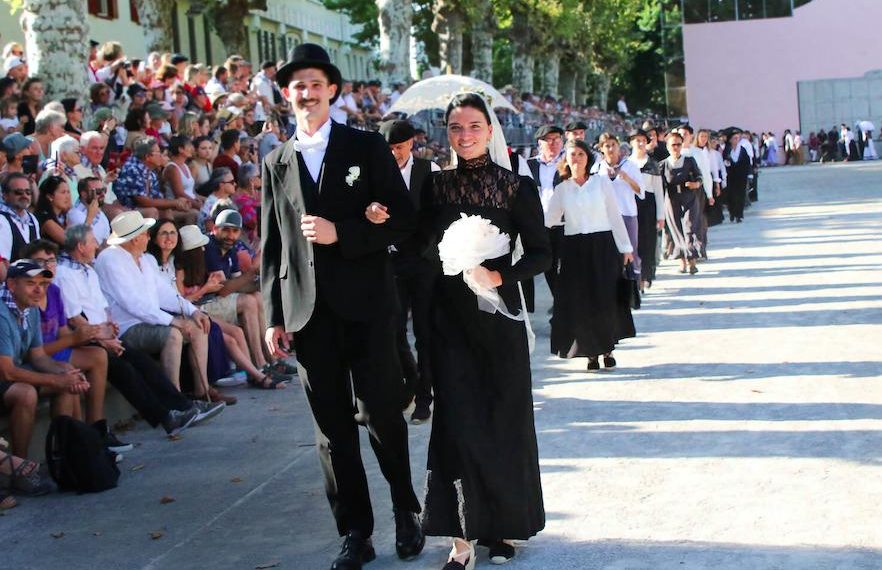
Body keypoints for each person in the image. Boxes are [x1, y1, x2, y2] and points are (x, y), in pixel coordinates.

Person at [261, 43, 423, 570]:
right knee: (331, 430)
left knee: (381, 416)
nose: (305, 93)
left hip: (369, 307)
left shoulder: (366, 146)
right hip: (308, 316)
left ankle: (406, 510)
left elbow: (403, 222)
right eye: (295, 86)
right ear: (286, 96)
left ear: (332, 89)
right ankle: (355, 531)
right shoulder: (275, 161)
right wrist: (273, 316)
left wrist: (344, 234)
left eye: (313, 83)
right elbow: (272, 247)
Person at [413, 92, 549, 567]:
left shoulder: (515, 187)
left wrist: (500, 274)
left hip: (498, 319)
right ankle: (462, 540)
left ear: (490, 130)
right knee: (457, 422)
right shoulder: (435, 186)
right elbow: (420, 248)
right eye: (455, 127)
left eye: (473, 126)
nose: (464, 135)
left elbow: (542, 253)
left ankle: (507, 528)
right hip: (450, 320)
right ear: (446, 133)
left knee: (502, 418)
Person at [55, 224, 218, 436]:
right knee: (128, 368)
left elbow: (104, 306)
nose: (97, 244)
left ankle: (184, 407)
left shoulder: (89, 269)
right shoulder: (69, 272)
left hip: (105, 335)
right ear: (80, 246)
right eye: (92, 241)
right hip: (92, 339)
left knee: (142, 363)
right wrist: (104, 338)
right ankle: (163, 418)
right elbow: (76, 319)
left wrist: (191, 311)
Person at [94, 211, 222, 404]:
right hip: (126, 327)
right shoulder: (110, 259)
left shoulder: (146, 259)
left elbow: (165, 294)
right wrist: (173, 321)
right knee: (173, 334)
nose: (148, 236)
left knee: (198, 326)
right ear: (135, 239)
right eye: (145, 233)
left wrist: (192, 311)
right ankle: (177, 401)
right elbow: (133, 304)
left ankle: (201, 391)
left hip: (149, 322)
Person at [22, 239, 131, 453]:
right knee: (69, 378)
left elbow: (63, 332)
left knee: (98, 355)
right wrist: (76, 338)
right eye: (40, 262)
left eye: (51, 260)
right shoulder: (29, 297)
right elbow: (33, 353)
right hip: (37, 359)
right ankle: (74, 447)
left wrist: (100, 335)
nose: (47, 266)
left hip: (56, 351)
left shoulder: (53, 291)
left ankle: (96, 428)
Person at [547, 139, 635, 371]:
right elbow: (549, 220)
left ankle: (608, 349)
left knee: (604, 299)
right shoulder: (562, 189)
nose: (575, 159)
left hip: (603, 245)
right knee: (582, 302)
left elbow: (614, 216)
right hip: (575, 249)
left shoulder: (601, 183)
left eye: (580, 154)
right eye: (571, 155)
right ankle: (591, 354)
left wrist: (625, 247)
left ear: (588, 158)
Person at [377, 119, 440, 424]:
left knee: (426, 333)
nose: (394, 154)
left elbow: (441, 217)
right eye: (389, 149)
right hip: (390, 262)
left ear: (411, 144)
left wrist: (425, 249)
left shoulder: (430, 171)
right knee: (394, 330)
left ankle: (425, 397)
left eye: (399, 148)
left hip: (424, 262)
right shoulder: (376, 173)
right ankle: (411, 383)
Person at [0, 259, 89, 458]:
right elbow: (6, 371)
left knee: (66, 378)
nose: (39, 290)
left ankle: (65, 459)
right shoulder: (1, 313)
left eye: (41, 284)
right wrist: (55, 379)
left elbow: (38, 356)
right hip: (4, 375)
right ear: (12, 285)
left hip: (12, 373)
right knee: (26, 394)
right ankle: (22, 469)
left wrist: (66, 373)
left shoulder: (29, 307)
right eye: (31, 284)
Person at [594, 132, 644, 278]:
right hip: (606, 217)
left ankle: (634, 283)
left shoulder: (630, 166)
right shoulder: (597, 169)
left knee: (631, 250)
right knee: (610, 252)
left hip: (627, 214)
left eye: (613, 145)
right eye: (606, 146)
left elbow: (641, 192)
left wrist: (627, 179)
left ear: (619, 147)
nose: (610, 149)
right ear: (601, 148)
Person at [525, 125, 564, 311]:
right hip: (541, 225)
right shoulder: (529, 165)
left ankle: (564, 304)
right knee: (548, 265)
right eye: (549, 139)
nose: (553, 143)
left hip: (565, 223)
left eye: (557, 139)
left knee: (565, 267)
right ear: (540, 143)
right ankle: (560, 302)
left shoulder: (568, 161)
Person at [659, 131, 703, 274]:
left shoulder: (689, 161)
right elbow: (659, 186)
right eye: (673, 144)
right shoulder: (663, 165)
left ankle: (693, 262)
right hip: (672, 199)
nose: (676, 147)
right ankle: (682, 262)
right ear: (667, 146)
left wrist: (696, 184)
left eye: (679, 144)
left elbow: (699, 176)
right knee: (676, 230)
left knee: (689, 227)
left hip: (689, 197)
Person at [627, 130, 665, 290]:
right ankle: (634, 276)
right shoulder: (626, 164)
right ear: (631, 143)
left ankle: (645, 276)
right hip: (630, 205)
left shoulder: (653, 164)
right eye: (637, 140)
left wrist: (660, 216)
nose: (640, 143)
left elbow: (658, 192)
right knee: (632, 242)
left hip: (648, 206)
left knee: (647, 242)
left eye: (643, 140)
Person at [0, 172, 40, 262]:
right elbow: (3, 262)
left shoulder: (32, 219)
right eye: (19, 192)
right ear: (5, 195)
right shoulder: (2, 220)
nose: (24, 196)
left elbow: (38, 254)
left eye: (28, 192)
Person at [33, 176, 72, 247]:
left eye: (68, 192)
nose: (67, 197)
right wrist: (89, 218)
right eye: (63, 192)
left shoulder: (63, 216)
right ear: (50, 196)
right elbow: (71, 242)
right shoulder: (45, 218)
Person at [723, 128, 750, 223]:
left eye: (737, 138)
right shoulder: (727, 150)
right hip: (730, 177)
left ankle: (739, 215)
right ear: (730, 140)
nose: (736, 140)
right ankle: (732, 213)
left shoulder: (742, 150)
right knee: (731, 196)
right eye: (734, 138)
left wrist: (747, 174)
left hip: (741, 177)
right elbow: (723, 162)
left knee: (740, 195)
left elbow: (747, 163)